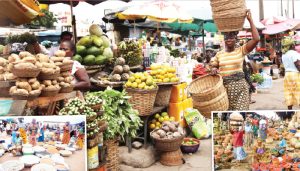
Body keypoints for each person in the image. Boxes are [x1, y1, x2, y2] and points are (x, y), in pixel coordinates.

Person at [210, 10, 260, 110]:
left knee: (240, 115)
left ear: (235, 39)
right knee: (227, 117)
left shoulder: (241, 50)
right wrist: (213, 69)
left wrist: (250, 21)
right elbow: (213, 66)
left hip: (241, 89)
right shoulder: (219, 54)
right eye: (226, 37)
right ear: (224, 39)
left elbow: (256, 39)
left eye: (231, 37)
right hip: (224, 91)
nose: (229, 39)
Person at [281, 37, 300, 110]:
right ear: (291, 45)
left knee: (288, 92)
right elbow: (298, 65)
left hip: (287, 75)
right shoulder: (294, 53)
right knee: (298, 92)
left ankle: (289, 109)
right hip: (295, 74)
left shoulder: (284, 55)